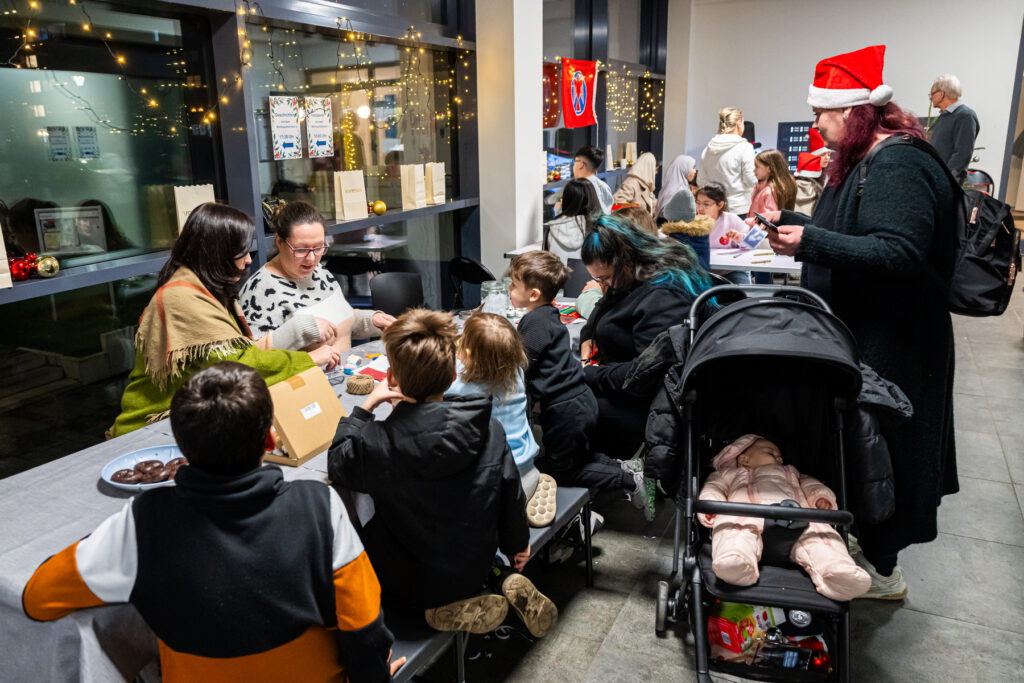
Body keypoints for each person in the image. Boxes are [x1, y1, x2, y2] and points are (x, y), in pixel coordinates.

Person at [25, 362, 400, 682]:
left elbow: (37, 598)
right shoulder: (320, 505)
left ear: (182, 449)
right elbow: (364, 627)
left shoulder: (143, 521)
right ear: (271, 439)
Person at [767, 45, 957, 600]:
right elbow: (857, 232)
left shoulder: (897, 164)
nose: (816, 125)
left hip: (895, 346)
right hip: (869, 339)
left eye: (821, 114)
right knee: (865, 452)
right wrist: (793, 224)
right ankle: (865, 548)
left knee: (886, 454)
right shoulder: (868, 160)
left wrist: (810, 241)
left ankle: (883, 569)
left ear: (852, 112)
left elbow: (898, 250)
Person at [327, 309, 557, 637]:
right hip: (476, 560)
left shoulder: (375, 441)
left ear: (391, 379)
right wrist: (517, 545)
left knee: (361, 513)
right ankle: (499, 577)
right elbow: (510, 493)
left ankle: (428, 611)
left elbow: (338, 462)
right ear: (452, 375)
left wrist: (363, 410)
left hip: (413, 580)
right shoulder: (490, 429)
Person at [109, 203, 321, 437]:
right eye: (241, 252)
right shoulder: (182, 298)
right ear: (218, 252)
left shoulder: (207, 287)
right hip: (152, 427)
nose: (248, 260)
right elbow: (238, 365)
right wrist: (308, 360)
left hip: (192, 417)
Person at [508, 251, 653, 519]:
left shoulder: (535, 323)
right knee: (579, 457)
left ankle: (629, 481)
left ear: (533, 294)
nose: (509, 289)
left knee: (563, 469)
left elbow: (520, 365)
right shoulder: (548, 314)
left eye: (513, 285)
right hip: (578, 400)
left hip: (564, 410)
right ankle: (625, 468)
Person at [580, 215, 713, 472]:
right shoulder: (634, 274)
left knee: (568, 405)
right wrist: (588, 335)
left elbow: (645, 375)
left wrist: (592, 374)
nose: (603, 285)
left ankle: (599, 474)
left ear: (625, 260)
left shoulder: (664, 294)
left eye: (605, 278)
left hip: (652, 402)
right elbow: (605, 304)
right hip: (627, 383)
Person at [698, 434, 871, 601]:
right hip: (746, 514)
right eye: (770, 452)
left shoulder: (793, 472)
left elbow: (812, 485)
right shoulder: (728, 474)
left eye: (780, 456)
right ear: (744, 460)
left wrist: (821, 498)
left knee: (822, 537)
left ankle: (838, 572)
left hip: (799, 517)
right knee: (732, 529)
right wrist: (711, 506)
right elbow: (713, 488)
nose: (778, 458)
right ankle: (736, 562)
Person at [240, 201, 394, 356]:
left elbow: (340, 322)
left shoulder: (318, 271)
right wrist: (300, 329)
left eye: (319, 247)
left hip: (346, 369)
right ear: (279, 242)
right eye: (301, 249)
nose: (311, 259)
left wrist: (371, 320)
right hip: (310, 373)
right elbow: (254, 357)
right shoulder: (261, 289)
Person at [447, 312, 554, 525]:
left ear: (467, 353)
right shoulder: (516, 372)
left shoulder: (458, 385)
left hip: (491, 488)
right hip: (527, 472)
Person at [700, 107, 757, 215]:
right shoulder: (745, 147)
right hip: (739, 208)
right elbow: (751, 180)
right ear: (739, 124)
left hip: (715, 207)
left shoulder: (708, 149)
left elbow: (701, 180)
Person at [927, 74, 980, 184]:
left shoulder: (965, 116)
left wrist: (945, 179)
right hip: (935, 179)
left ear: (941, 94)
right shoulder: (944, 116)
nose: (930, 98)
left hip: (946, 182)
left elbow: (962, 153)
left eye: (932, 94)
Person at [697, 184, 753, 284]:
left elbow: (751, 243)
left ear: (720, 205)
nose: (700, 208)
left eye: (706, 204)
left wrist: (741, 238)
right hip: (702, 271)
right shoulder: (692, 221)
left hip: (730, 270)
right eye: (698, 203)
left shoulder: (731, 219)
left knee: (741, 291)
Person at [544, 178, 600, 261]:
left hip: (557, 269)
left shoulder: (552, 226)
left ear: (566, 200)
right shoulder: (598, 228)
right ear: (592, 199)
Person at [746, 148, 797, 219]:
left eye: (757, 167)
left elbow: (767, 220)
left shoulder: (768, 192)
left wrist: (747, 222)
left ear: (769, 168)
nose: (754, 170)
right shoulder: (779, 187)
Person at [794, 128, 831, 215]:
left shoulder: (829, 175)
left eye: (829, 154)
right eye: (823, 155)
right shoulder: (803, 179)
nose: (827, 158)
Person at [655, 154, 697, 225]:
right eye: (692, 167)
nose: (695, 171)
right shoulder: (680, 192)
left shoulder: (668, 188)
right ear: (683, 168)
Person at [571, 145, 615, 213]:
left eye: (575, 162)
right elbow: (607, 212)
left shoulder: (576, 188)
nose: (573, 166)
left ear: (581, 164)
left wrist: (558, 208)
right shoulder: (604, 186)